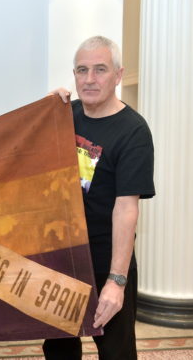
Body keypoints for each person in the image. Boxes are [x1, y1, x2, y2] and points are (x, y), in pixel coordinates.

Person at [43, 36, 155, 359]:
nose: (89, 79)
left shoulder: (134, 131)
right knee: (59, 349)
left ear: (118, 75)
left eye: (100, 70)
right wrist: (46, 107)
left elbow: (126, 209)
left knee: (116, 351)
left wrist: (116, 282)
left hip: (107, 259)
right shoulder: (66, 114)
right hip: (63, 257)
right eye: (82, 70)